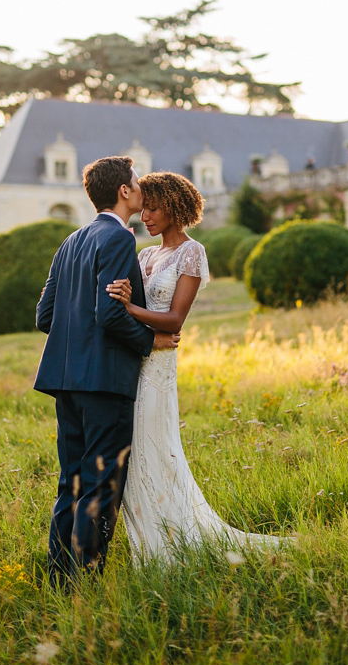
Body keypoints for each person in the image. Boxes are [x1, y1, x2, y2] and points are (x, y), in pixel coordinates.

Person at [106, 171, 290, 561]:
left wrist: (128, 307)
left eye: (154, 208)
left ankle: (174, 543)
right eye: (145, 207)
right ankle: (151, 542)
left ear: (175, 207)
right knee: (134, 453)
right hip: (132, 361)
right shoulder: (144, 254)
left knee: (156, 449)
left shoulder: (192, 253)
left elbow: (174, 320)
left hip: (158, 367)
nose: (146, 216)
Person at [35, 156, 181, 587]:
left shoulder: (71, 241)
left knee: (72, 481)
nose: (140, 189)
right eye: (136, 183)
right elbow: (110, 315)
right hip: (105, 381)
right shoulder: (119, 240)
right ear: (123, 190)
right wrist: (149, 341)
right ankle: (84, 581)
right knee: (100, 484)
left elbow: (46, 316)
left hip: (65, 381)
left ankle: (58, 576)